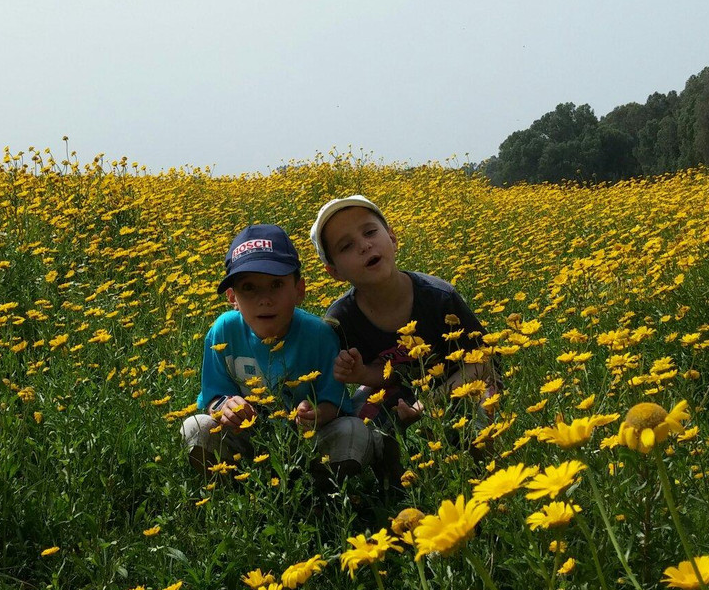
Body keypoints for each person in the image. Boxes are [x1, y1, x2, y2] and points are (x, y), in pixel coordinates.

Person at [180, 224, 386, 484]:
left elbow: (334, 404)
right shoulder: (223, 331)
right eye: (249, 287)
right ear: (232, 297)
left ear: (299, 290)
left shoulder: (320, 335)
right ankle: (238, 488)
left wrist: (316, 414)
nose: (264, 299)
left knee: (354, 430)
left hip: (310, 443)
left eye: (276, 284)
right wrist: (224, 407)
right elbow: (213, 398)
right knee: (195, 427)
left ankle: (320, 488)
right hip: (250, 441)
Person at [309, 196, 497, 437]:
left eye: (370, 232)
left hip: (461, 379)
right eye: (346, 246)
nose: (364, 245)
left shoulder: (439, 297)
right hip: (400, 390)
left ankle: (478, 458)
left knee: (481, 416)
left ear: (392, 238)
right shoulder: (341, 320)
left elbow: (482, 360)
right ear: (334, 272)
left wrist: (429, 403)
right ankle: (394, 460)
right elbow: (387, 374)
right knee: (359, 426)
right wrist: (362, 374)